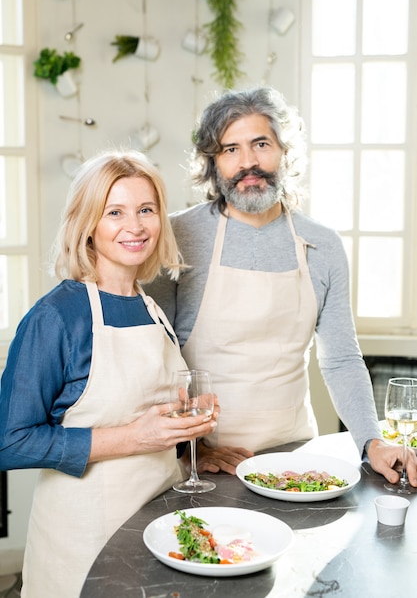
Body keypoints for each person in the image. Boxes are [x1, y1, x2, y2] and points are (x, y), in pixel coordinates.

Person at [146, 86, 417, 487]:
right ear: (213, 162)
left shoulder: (322, 245)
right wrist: (192, 448)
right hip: (202, 463)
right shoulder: (176, 236)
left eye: (261, 144)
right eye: (230, 149)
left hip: (294, 458)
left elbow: (341, 358)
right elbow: (156, 358)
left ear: (285, 152)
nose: (248, 162)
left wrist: (372, 442)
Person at [0, 150, 218, 598]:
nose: (134, 226)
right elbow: (9, 440)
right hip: (83, 539)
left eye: (146, 209)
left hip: (160, 521)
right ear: (87, 224)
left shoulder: (150, 306)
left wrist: (185, 425)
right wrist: (134, 438)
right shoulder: (56, 317)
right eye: (114, 212)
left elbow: (146, 409)